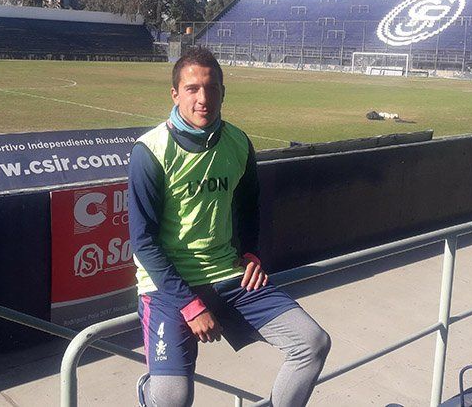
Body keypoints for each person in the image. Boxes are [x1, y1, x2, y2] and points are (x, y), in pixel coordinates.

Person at [128, 47, 331, 407]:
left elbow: (248, 207)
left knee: (312, 343)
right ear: (175, 94)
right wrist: (190, 305)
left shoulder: (238, 142)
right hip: (167, 288)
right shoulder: (150, 151)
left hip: (227, 276)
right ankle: (150, 390)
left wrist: (251, 253)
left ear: (223, 92)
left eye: (212, 88)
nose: (203, 98)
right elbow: (143, 242)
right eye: (192, 89)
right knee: (173, 399)